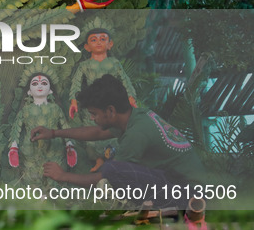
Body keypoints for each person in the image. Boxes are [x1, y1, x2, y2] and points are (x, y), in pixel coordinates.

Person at [32, 74, 206, 208]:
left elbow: (108, 174)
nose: (92, 118)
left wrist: (63, 176)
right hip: (176, 182)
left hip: (187, 194)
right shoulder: (136, 116)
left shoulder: (137, 134)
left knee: (111, 168)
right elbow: (97, 132)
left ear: (110, 111)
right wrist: (54, 133)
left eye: (94, 114)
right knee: (113, 168)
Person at [68, 28, 137, 172]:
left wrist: (131, 97)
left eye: (103, 39)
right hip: (93, 104)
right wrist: (73, 101)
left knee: (113, 131)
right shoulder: (84, 66)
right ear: (87, 47)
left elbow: (125, 81)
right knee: (93, 130)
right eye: (94, 40)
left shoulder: (114, 63)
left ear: (110, 44)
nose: (99, 42)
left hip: (113, 103)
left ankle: (114, 159)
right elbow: (76, 84)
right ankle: (98, 160)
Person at [8, 73, 75, 185]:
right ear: (29, 91)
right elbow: (16, 128)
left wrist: (70, 145)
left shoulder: (55, 108)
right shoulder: (25, 110)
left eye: (44, 83)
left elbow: (65, 127)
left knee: (54, 179)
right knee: (32, 178)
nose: (40, 86)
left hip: (54, 148)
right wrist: (13, 148)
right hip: (30, 149)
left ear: (50, 91)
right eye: (35, 83)